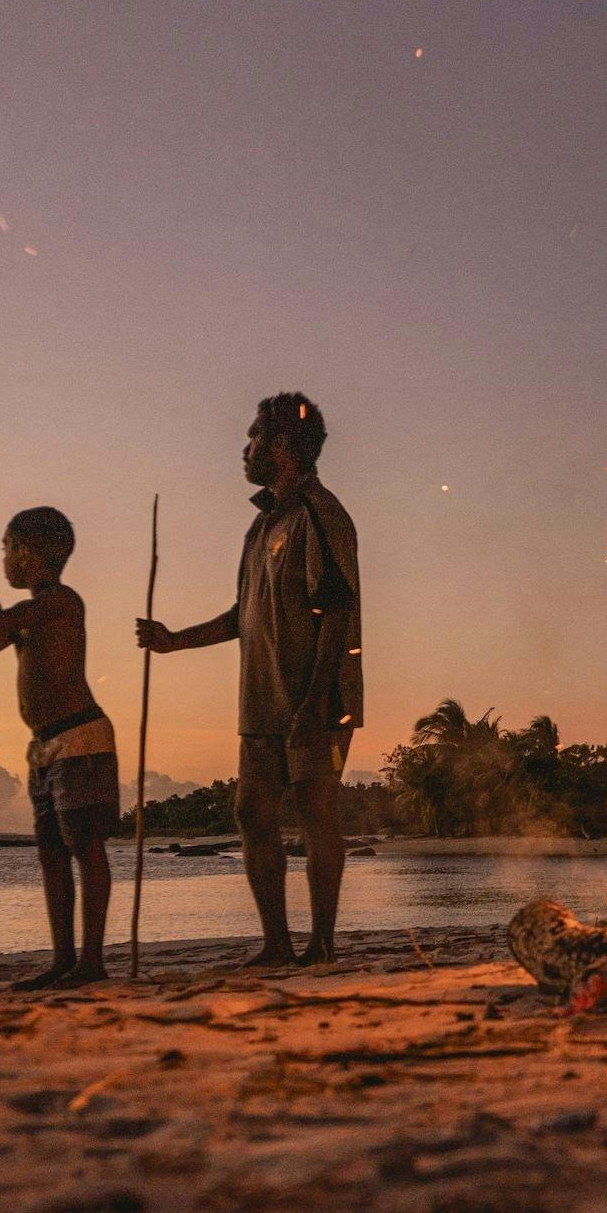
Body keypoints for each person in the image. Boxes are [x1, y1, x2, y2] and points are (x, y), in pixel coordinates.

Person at [138, 392, 362, 968]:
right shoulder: (260, 528)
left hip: (318, 699)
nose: (245, 449)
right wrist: (173, 641)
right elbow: (242, 615)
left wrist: (315, 702)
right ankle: (276, 942)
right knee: (250, 813)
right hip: (261, 701)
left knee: (315, 809)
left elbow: (337, 611)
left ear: (283, 446)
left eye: (254, 437)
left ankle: (322, 944)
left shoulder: (321, 513)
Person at [0, 504, 119, 989]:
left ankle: (91, 960)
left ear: (26, 553)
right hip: (45, 745)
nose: (5, 558)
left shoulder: (59, 602)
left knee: (84, 846)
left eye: (6, 549)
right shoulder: (28, 613)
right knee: (51, 851)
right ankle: (63, 957)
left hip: (80, 737)